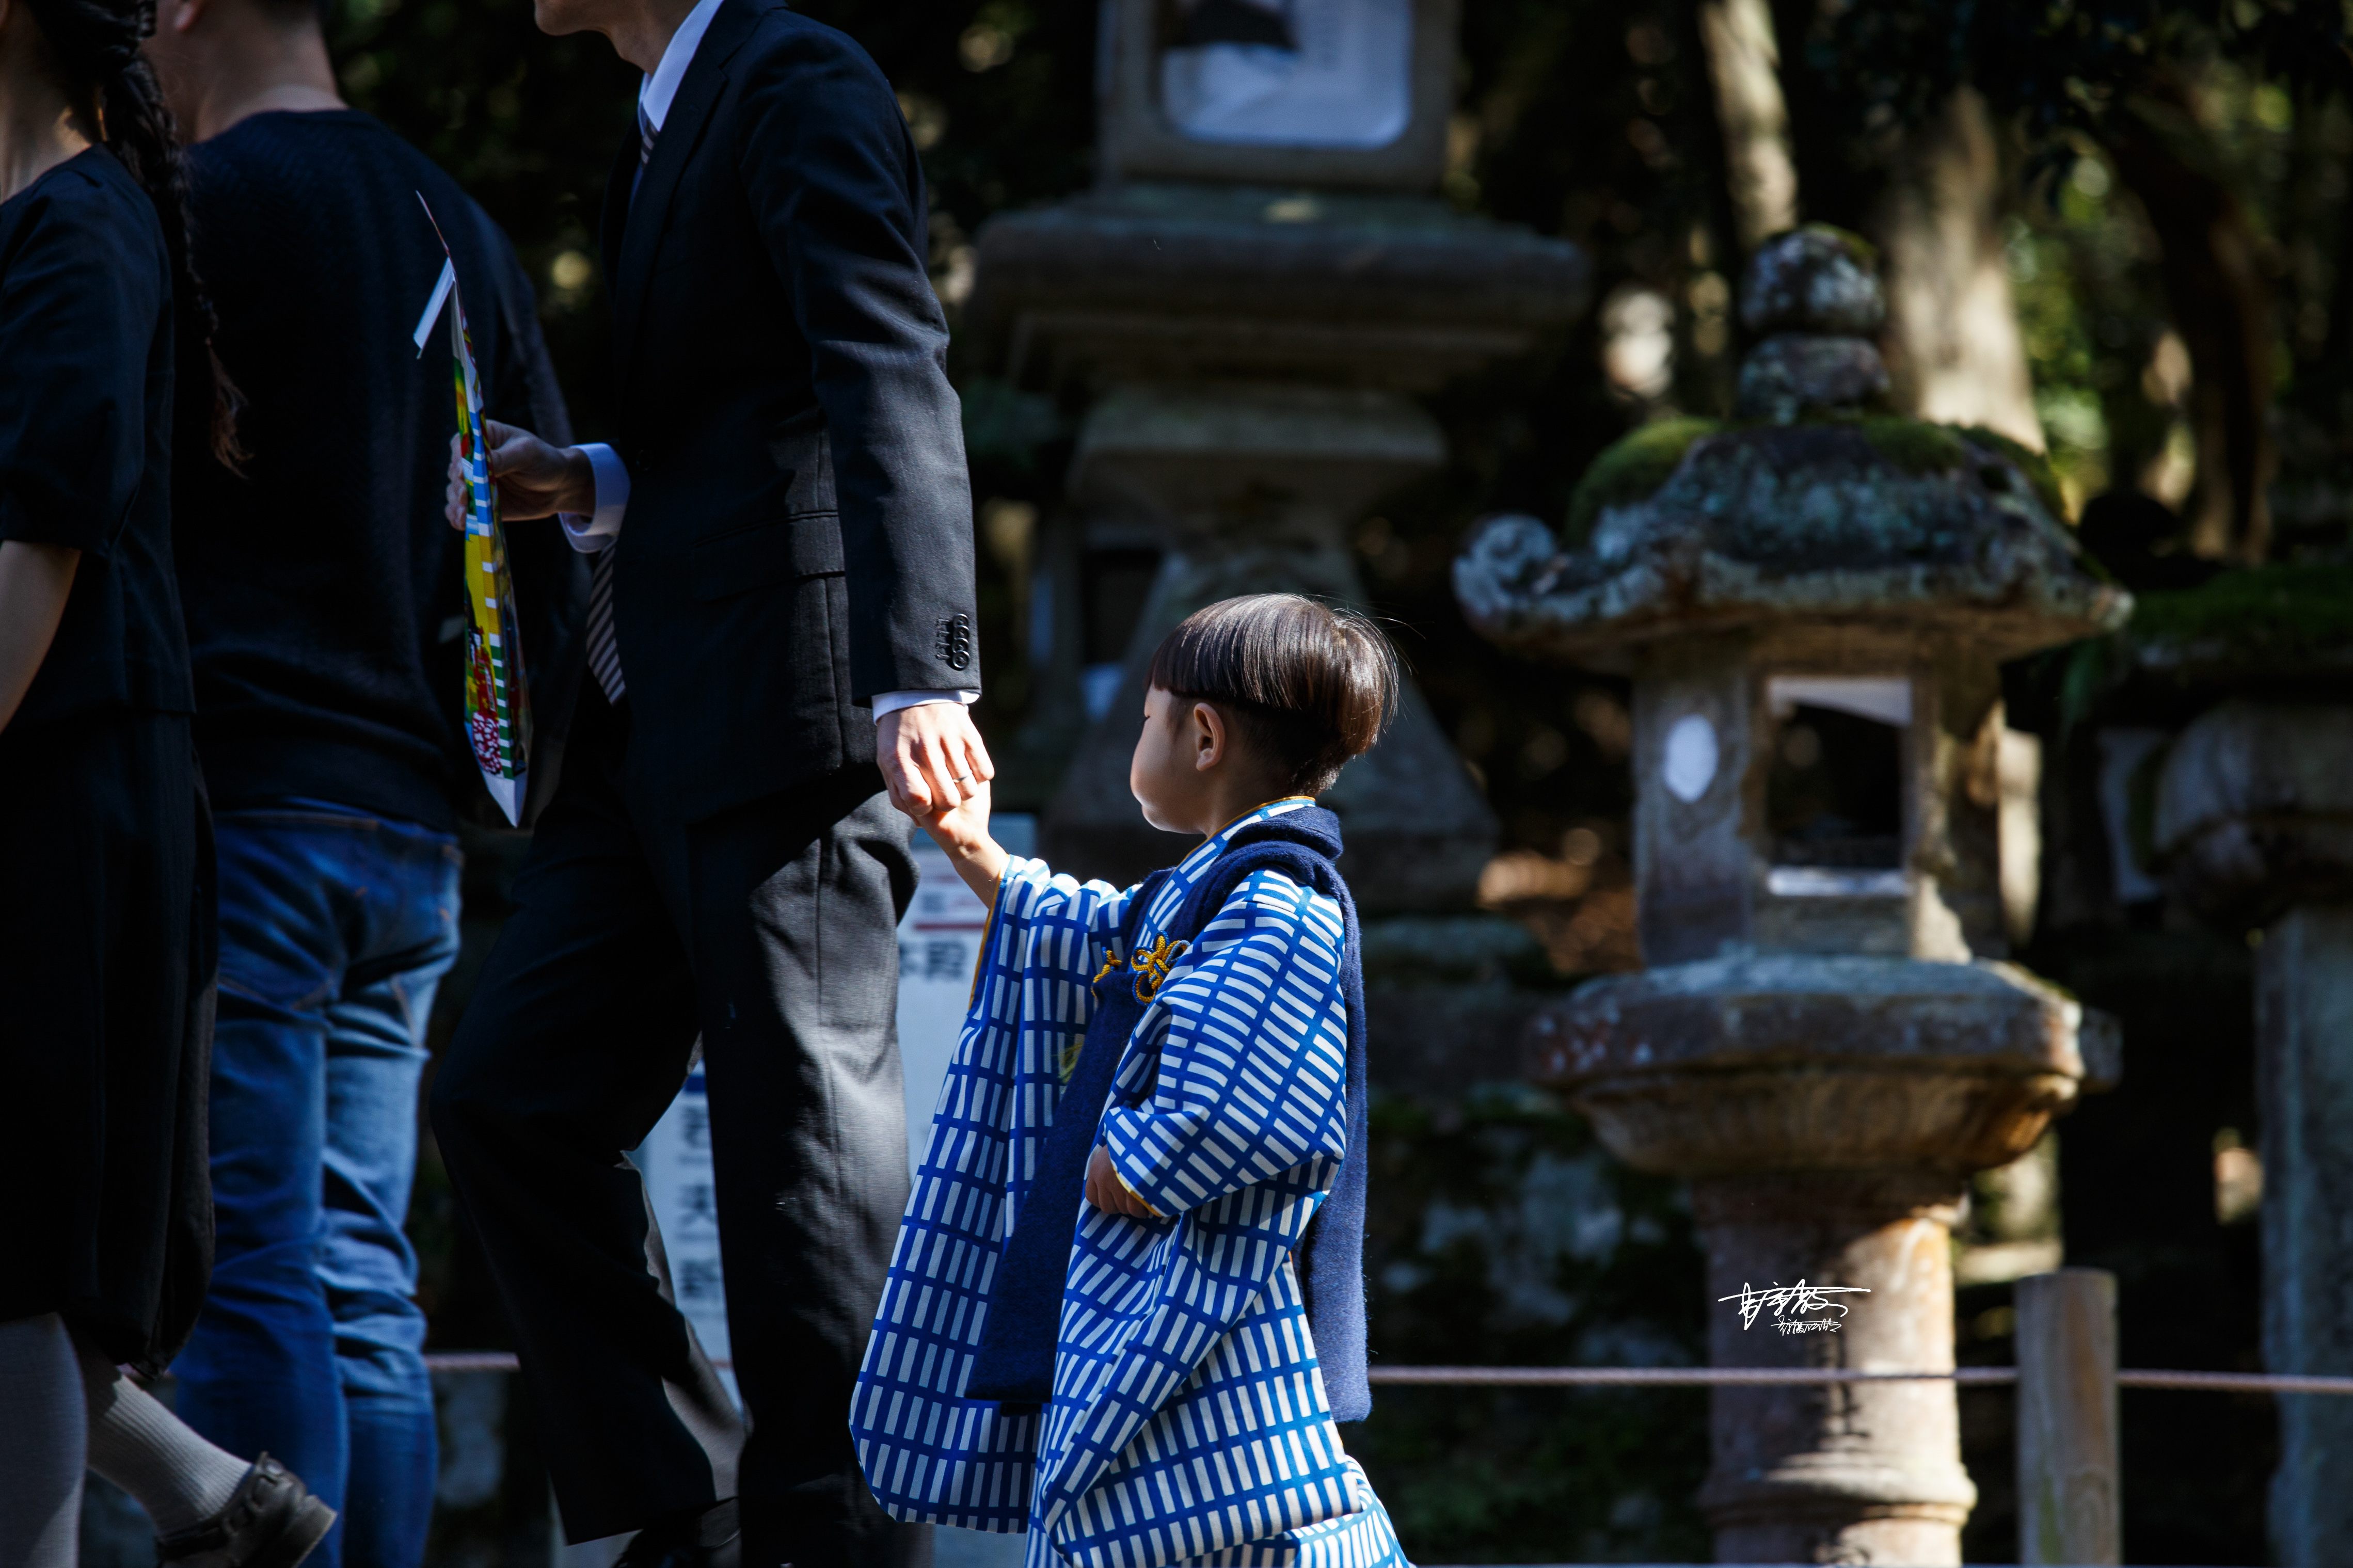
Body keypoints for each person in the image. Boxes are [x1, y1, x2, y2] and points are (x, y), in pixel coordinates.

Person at [425, 0, 990, 1564]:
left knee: (801, 1139)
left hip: (790, 699)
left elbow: (885, 356)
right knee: (508, 1097)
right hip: (646, 709)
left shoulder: (797, 74)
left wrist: (921, 673)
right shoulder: (675, 109)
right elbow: (749, 416)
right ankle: (695, 1499)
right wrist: (593, 481)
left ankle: (841, 1533)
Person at [135, 1, 585, 1562]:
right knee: (360, 1264)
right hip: (412, 817)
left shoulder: (195, 207)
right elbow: (535, 533)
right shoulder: (448, 217)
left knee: (249, 1258)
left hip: (247, 793)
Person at [851, 594, 1412, 1568]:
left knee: (1230, 1505)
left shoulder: (1280, 899)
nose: (1139, 734)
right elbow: (1092, 935)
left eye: (1145, 716)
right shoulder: (1211, 889)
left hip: (1201, 1277)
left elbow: (1260, 1102)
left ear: (1202, 735)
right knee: (1168, 1499)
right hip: (1148, 1277)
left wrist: (1144, 1159)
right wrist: (969, 843)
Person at [0, 0, 333, 1563]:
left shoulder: (81, 226)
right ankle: (210, 1491)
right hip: (54, 778)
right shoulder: (48, 217)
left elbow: (40, 535)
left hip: (67, 797)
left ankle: (182, 1500)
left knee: (25, 1247)